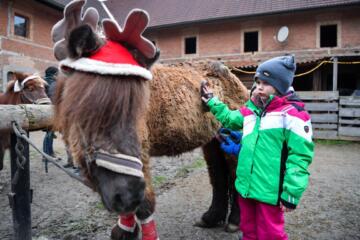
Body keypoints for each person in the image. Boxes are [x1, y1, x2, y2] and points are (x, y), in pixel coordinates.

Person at [201, 55, 314, 240]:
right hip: (245, 187)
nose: (259, 87)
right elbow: (230, 118)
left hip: (269, 192)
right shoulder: (252, 109)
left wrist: (291, 193)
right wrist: (212, 101)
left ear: (280, 85)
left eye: (265, 82)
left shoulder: (293, 115)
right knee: (248, 230)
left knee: (271, 233)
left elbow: (300, 157)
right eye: (258, 81)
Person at [42, 66, 59, 158]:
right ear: (54, 75)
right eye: (58, 74)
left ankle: (49, 153)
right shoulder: (53, 84)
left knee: (50, 133)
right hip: (52, 110)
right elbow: (53, 98)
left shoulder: (44, 82)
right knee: (49, 133)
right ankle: (46, 155)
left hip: (44, 110)